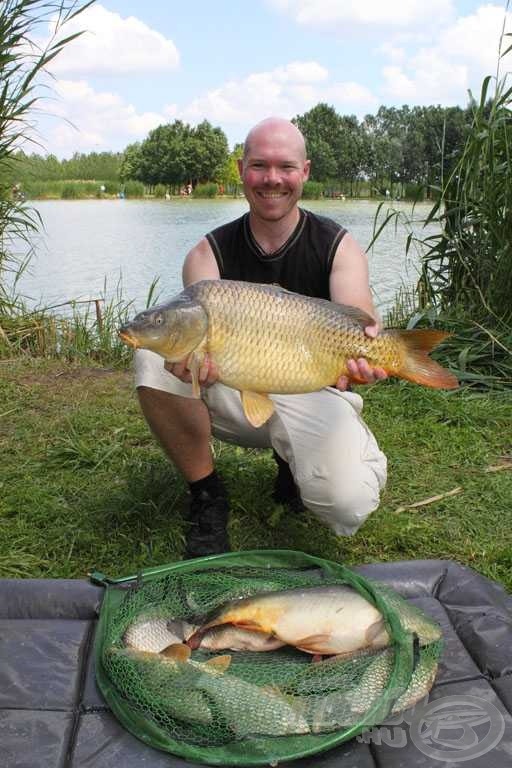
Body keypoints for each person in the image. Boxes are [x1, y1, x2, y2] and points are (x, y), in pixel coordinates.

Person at [135, 117, 388, 558]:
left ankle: (296, 467)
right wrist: (190, 360)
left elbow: (360, 324)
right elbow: (186, 326)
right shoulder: (207, 253)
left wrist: (373, 359)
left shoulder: (337, 245)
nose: (273, 179)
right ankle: (208, 496)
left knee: (348, 506)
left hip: (316, 387)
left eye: (286, 167)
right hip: (232, 387)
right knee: (154, 358)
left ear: (305, 171)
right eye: (259, 166)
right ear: (241, 170)